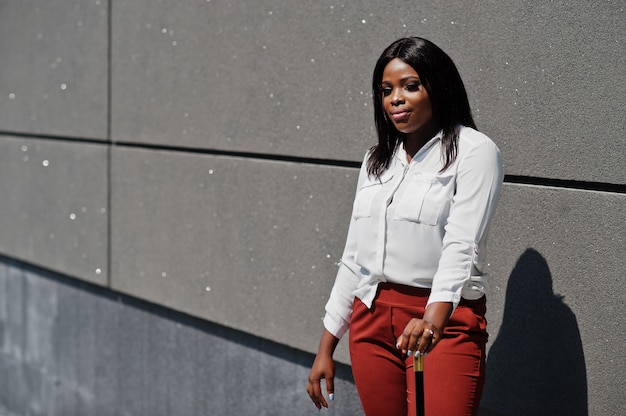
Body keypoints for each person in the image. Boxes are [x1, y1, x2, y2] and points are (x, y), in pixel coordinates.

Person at [306, 37, 503, 416]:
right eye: (386, 90)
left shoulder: (474, 151)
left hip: (441, 318)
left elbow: (462, 245)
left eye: (410, 85)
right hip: (371, 321)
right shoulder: (376, 160)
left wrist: (432, 319)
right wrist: (326, 346)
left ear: (438, 86)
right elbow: (354, 257)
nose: (396, 98)